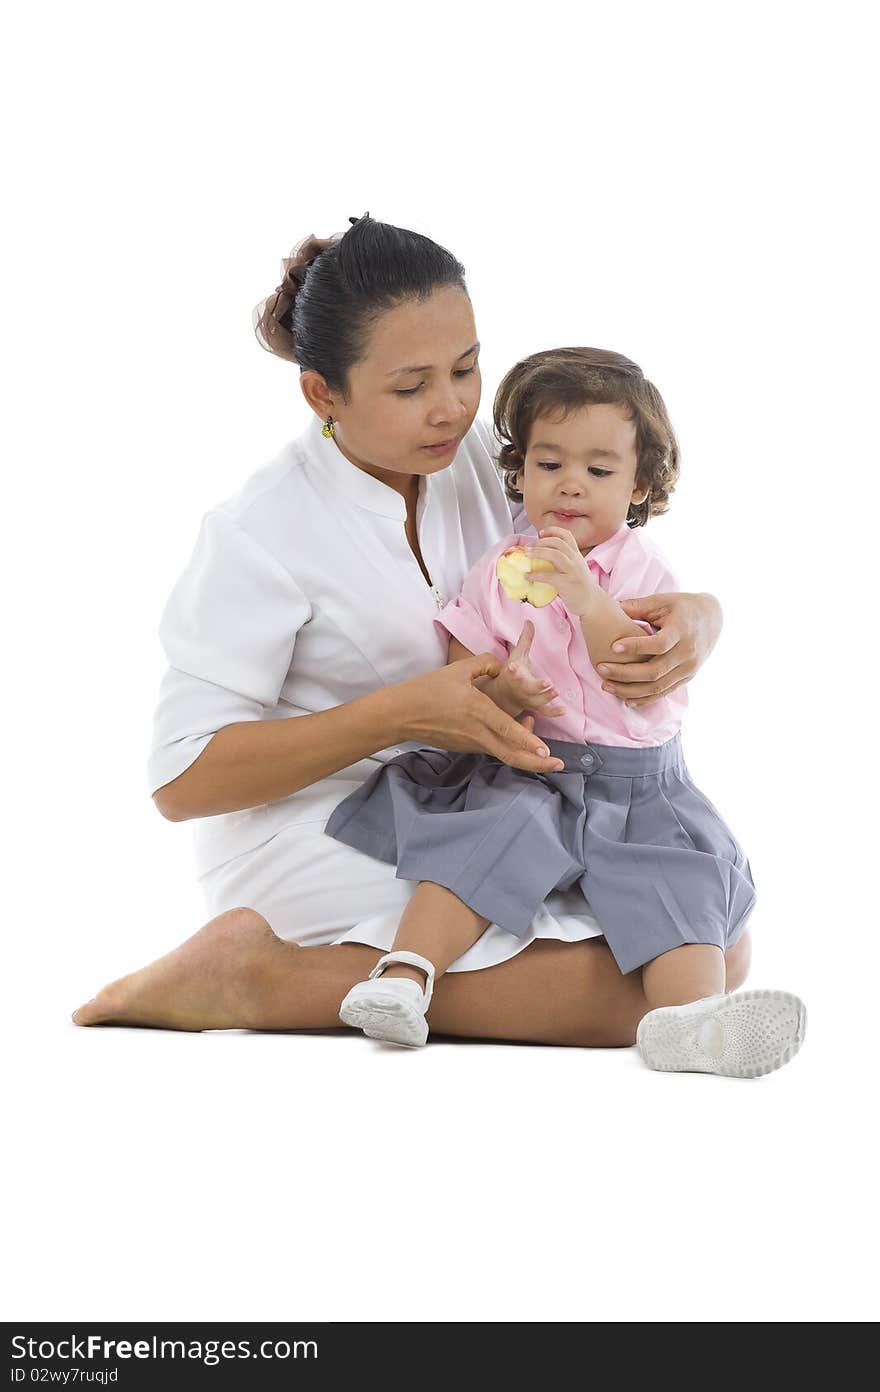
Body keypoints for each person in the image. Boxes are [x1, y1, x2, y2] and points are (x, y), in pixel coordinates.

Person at [72, 215, 741, 1046]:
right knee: (626, 991)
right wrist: (404, 714)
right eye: (411, 385)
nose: (453, 407)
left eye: (466, 368)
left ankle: (318, 979)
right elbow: (181, 782)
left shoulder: (477, 455)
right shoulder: (260, 532)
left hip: (497, 793)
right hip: (325, 819)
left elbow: (606, 546)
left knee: (717, 942)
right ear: (324, 394)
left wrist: (702, 619)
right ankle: (252, 976)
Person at [326, 347, 806, 1076]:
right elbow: (465, 668)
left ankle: (692, 1023)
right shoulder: (499, 570)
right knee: (479, 843)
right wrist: (504, 693)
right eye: (550, 466)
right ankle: (404, 976)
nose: (570, 486)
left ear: (639, 482)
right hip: (531, 766)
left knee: (677, 882)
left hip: (636, 785)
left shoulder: (642, 570)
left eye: (599, 471)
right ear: (520, 472)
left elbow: (631, 670)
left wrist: (585, 596)